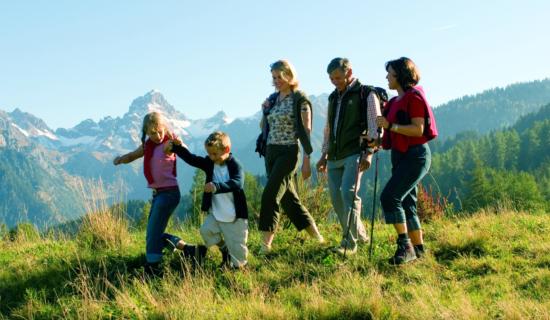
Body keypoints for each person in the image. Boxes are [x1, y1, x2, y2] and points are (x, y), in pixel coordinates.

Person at [113, 111, 204, 275]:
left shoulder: (168, 143)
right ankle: (191, 251)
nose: (157, 135)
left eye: (160, 131)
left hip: (169, 193)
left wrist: (179, 143)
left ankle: (153, 266)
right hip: (158, 194)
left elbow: (182, 150)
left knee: (152, 234)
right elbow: (133, 155)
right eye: (152, 133)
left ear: (164, 127)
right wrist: (120, 159)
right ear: (146, 133)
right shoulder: (148, 145)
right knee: (153, 232)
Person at [316, 57, 381, 255]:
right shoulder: (332, 98)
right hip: (335, 155)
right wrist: (324, 154)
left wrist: (369, 153)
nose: (335, 81)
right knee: (336, 197)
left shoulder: (366, 93)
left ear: (349, 72)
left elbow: (375, 125)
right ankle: (359, 234)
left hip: (355, 151)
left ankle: (349, 244)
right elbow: (328, 128)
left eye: (338, 77)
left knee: (348, 194)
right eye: (331, 78)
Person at [258, 59, 324, 254]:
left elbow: (307, 129)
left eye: (280, 77)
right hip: (271, 151)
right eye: (274, 78)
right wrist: (264, 110)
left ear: (290, 75)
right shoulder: (273, 98)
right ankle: (317, 237)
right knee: (289, 199)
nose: (276, 81)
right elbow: (264, 127)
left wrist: (306, 161)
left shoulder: (300, 99)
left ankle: (265, 245)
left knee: (270, 194)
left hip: (288, 152)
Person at [376, 57, 437, 265]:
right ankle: (419, 251)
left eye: (390, 73)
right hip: (401, 155)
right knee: (408, 202)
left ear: (400, 76)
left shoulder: (414, 98)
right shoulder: (393, 102)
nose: (386, 77)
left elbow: (418, 129)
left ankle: (405, 246)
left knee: (390, 197)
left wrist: (390, 126)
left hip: (416, 155)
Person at [166, 131, 249, 270]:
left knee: (238, 250)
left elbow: (238, 183)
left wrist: (216, 186)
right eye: (209, 154)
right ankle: (225, 250)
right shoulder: (210, 163)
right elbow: (192, 159)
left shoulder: (235, 165)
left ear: (227, 150)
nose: (211, 157)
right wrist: (176, 148)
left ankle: (239, 271)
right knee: (206, 231)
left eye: (215, 154)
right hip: (217, 214)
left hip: (235, 217)